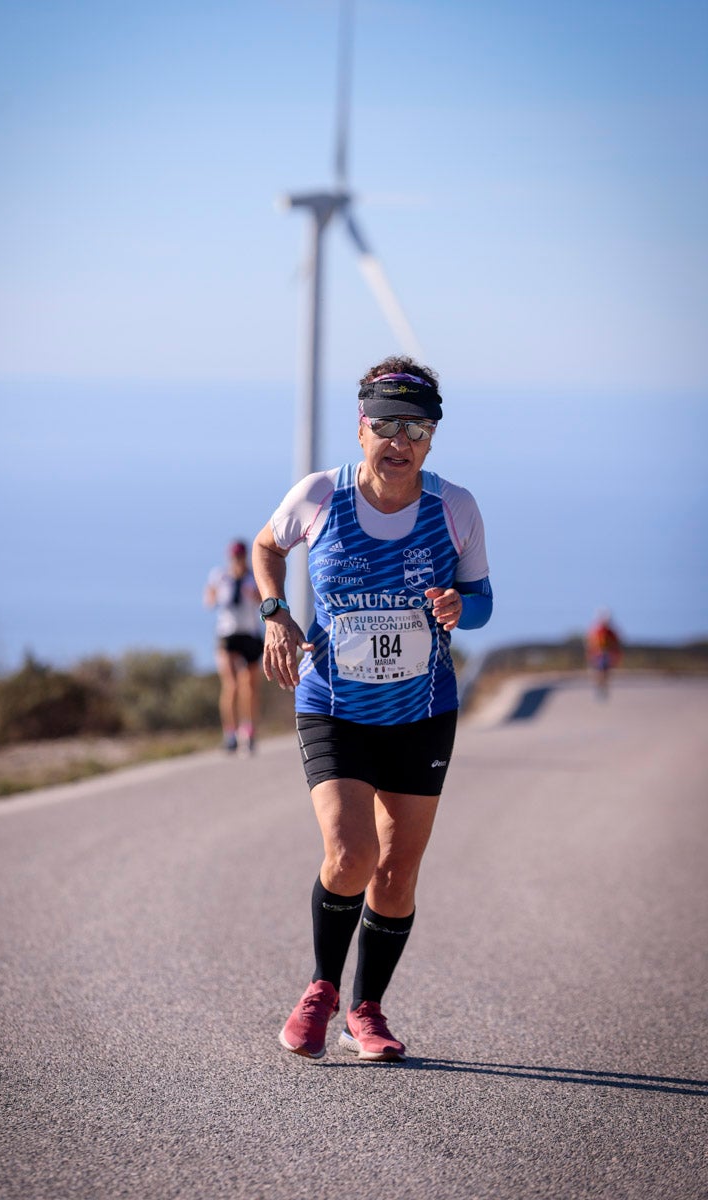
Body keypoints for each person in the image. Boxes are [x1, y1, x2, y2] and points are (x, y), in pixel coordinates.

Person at [252, 356, 493, 1062]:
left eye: (415, 426)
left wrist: (460, 606)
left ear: (432, 436)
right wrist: (274, 613)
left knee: (396, 873)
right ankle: (322, 991)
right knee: (351, 853)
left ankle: (368, 1009)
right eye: (384, 423)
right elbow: (268, 547)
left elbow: (482, 601)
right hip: (334, 707)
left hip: (421, 714)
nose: (399, 439)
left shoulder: (456, 508)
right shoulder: (320, 495)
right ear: (361, 428)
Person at [204, 540, 263, 753]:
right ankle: (230, 732)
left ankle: (248, 730)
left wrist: (253, 594)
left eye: (239, 556)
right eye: (234, 557)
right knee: (231, 685)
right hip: (227, 634)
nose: (237, 560)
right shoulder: (219, 576)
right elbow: (208, 601)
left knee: (250, 686)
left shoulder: (254, 577)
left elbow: (264, 601)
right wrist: (216, 594)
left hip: (250, 633)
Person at [585, 610, 622, 698]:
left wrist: (616, 656)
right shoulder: (596, 631)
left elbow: (616, 645)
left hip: (607, 655)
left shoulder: (611, 632)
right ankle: (599, 688)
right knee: (598, 673)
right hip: (598, 655)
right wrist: (590, 654)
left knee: (605, 673)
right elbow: (590, 644)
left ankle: (602, 688)